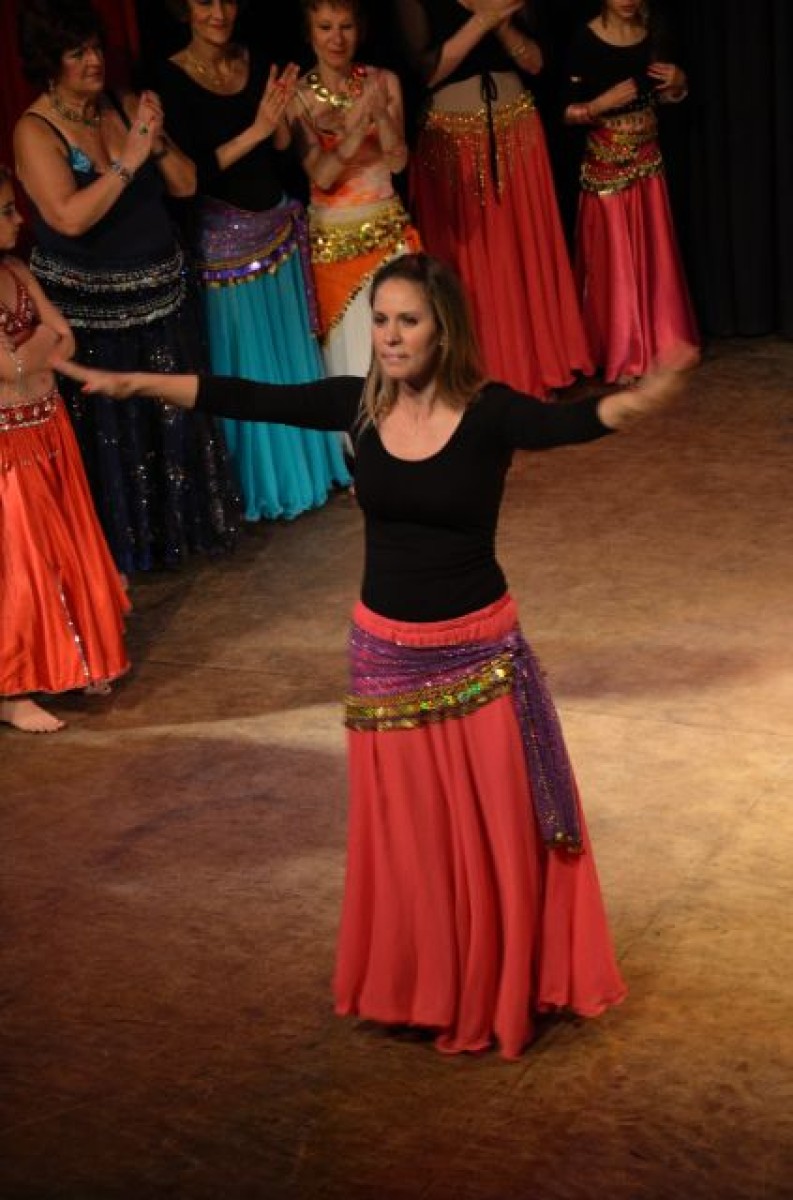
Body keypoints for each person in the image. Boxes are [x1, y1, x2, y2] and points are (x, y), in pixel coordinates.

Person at [55, 253, 696, 1058]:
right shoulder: (357, 408)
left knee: (489, 837)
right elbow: (245, 396)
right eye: (381, 320)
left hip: (477, 656)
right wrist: (134, 383)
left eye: (407, 322)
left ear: (442, 331)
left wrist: (647, 395)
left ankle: (491, 987)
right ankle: (421, 986)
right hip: (386, 658)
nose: (389, 337)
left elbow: (574, 422)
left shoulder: (490, 414)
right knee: (411, 839)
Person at [13, 0, 239, 576]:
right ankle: (126, 556)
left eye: (96, 48)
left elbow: (185, 184)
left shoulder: (121, 103)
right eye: (77, 53)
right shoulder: (35, 130)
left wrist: (155, 142)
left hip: (160, 303)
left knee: (168, 424)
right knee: (116, 441)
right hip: (94, 319)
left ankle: (173, 539)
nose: (94, 61)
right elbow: (68, 217)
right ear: (49, 63)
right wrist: (129, 160)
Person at [156, 0, 351, 522]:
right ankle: (270, 484)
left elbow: (281, 147)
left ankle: (312, 471)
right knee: (251, 371)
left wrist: (283, 123)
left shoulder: (254, 58)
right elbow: (190, 176)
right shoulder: (168, 80)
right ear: (183, 9)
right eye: (204, 2)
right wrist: (258, 130)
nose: (218, 12)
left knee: (293, 362)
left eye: (226, 0)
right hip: (225, 254)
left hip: (279, 236)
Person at [393, 0, 592, 399]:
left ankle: (534, 367)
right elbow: (427, 72)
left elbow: (536, 63)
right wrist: (483, 19)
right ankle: (474, 375)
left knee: (520, 251)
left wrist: (501, 24)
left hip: (517, 133)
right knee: (467, 264)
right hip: (452, 146)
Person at [0, 166, 129, 734]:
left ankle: (74, 661)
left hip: (49, 430)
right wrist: (36, 349)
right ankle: (13, 690)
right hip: (8, 447)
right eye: (7, 211)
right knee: (21, 561)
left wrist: (29, 353)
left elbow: (64, 339)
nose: (19, 219)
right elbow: (11, 366)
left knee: (65, 547)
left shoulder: (17, 270)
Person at [565, 0, 699, 383]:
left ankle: (662, 342)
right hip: (606, 165)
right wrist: (597, 106)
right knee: (615, 257)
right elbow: (562, 111)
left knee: (655, 249)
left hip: (649, 159)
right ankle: (621, 350)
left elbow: (665, 96)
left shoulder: (655, 31)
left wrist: (680, 83)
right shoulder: (585, 39)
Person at [289, 0, 421, 377]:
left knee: (402, 350)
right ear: (309, 33)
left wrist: (379, 113)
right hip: (335, 245)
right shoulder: (298, 97)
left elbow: (397, 162)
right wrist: (358, 126)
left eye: (345, 27)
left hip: (388, 235)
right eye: (325, 27)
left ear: (359, 30)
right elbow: (323, 176)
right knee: (355, 357)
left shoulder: (384, 82)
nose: (337, 38)